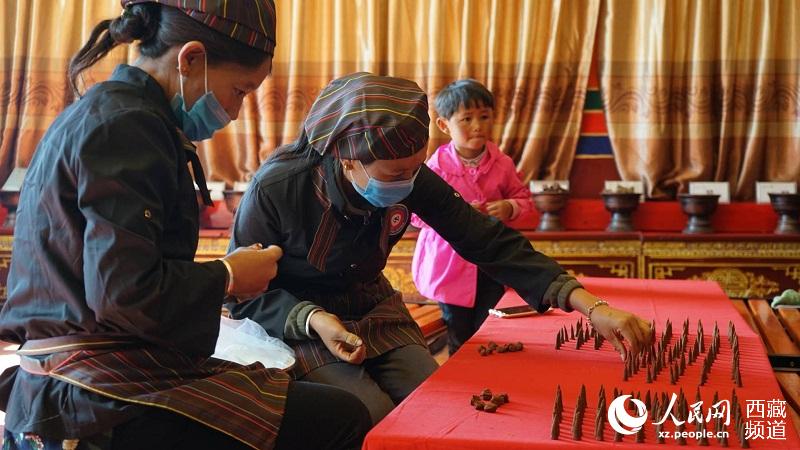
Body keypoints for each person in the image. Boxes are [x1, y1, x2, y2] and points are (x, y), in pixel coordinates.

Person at [0, 2, 370, 449]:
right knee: (340, 417)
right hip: (91, 391)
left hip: (87, 371)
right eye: (240, 91)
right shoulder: (129, 127)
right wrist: (228, 276)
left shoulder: (110, 113)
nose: (235, 112)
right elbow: (123, 293)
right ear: (191, 58)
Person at [228, 72, 654, 425]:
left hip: (373, 309)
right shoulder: (278, 188)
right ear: (348, 159)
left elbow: (483, 238)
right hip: (298, 320)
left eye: (416, 169)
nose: (408, 182)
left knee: (431, 408)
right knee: (368, 415)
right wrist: (315, 319)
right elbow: (244, 295)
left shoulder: (408, 177)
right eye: (396, 173)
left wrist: (590, 306)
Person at [411, 79, 536, 355]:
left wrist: (509, 207)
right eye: (466, 119)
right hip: (449, 268)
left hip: (492, 265)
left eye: (484, 116)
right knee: (458, 335)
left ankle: (487, 376)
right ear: (444, 125)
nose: (477, 125)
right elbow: (415, 215)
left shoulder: (502, 163)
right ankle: (459, 377)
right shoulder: (435, 167)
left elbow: (525, 200)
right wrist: (455, 212)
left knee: (490, 330)